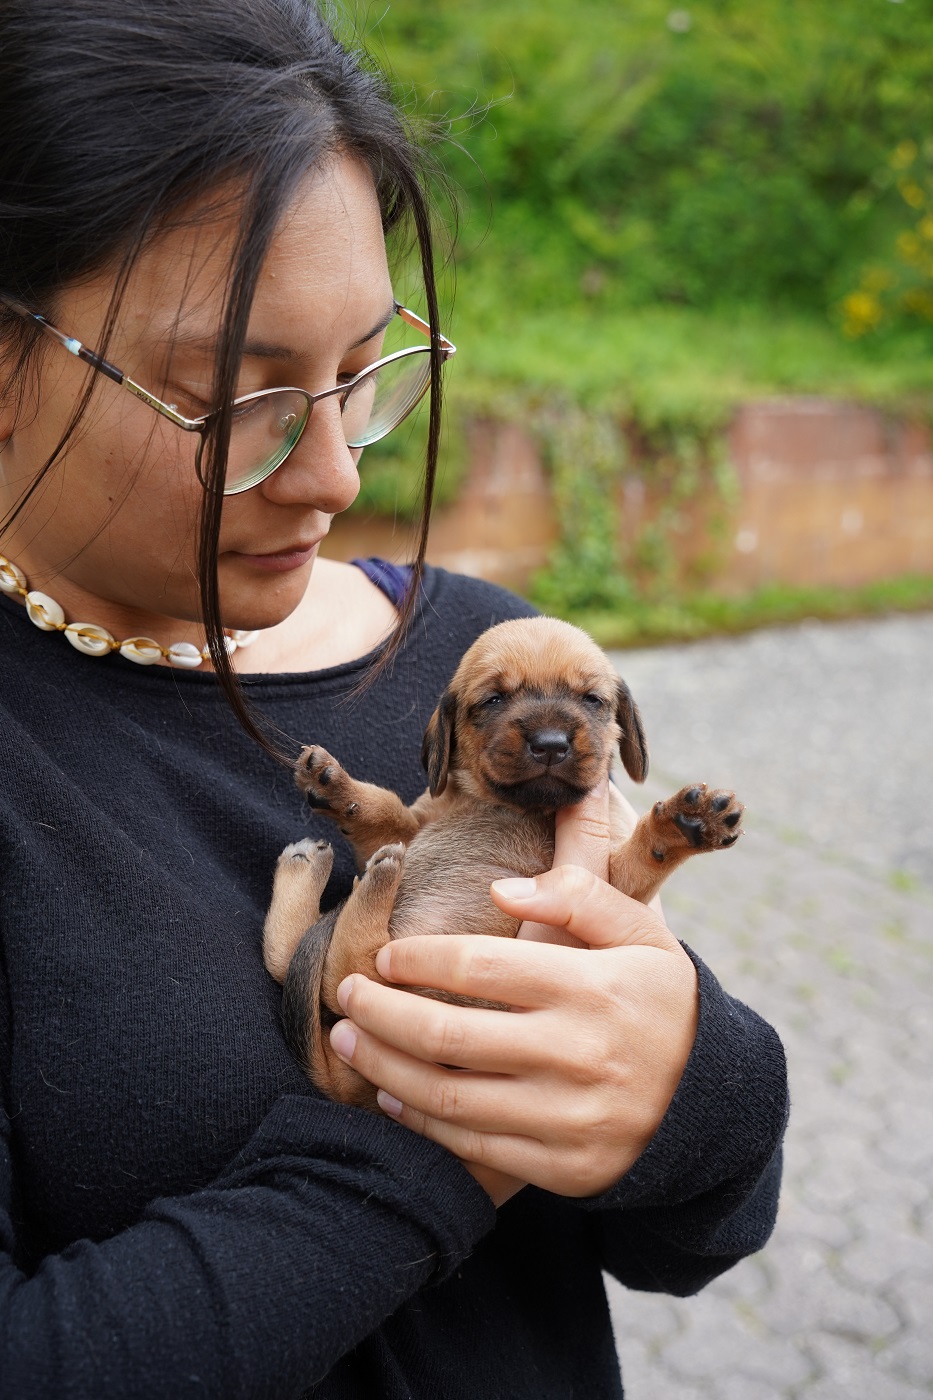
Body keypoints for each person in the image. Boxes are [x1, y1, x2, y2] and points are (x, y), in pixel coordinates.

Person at [0, 2, 788, 1396]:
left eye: (364, 372)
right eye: (231, 399)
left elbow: (690, 1238)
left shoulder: (480, 654)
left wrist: (697, 1084)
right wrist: (436, 1145)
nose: (336, 474)